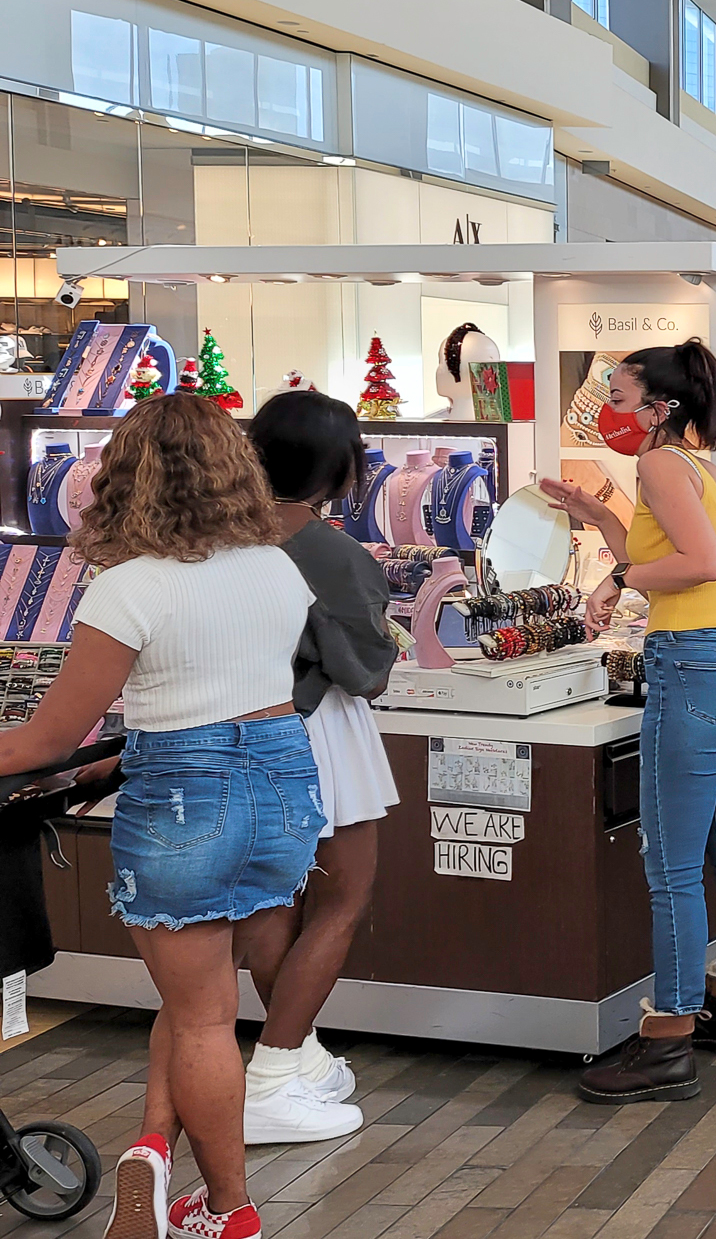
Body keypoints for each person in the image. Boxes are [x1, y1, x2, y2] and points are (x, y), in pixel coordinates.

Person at [0, 394, 320, 1239]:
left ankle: (231, 1208)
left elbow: (47, 737)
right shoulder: (276, 565)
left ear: (126, 477)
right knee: (200, 1003)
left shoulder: (127, 586)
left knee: (202, 1013)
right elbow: (232, 690)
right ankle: (153, 1156)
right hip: (284, 782)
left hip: (185, 791)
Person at [540, 340, 716, 1105]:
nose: (605, 410)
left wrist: (616, 577)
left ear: (659, 405)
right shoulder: (699, 466)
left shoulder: (658, 464)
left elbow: (701, 562)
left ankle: (667, 1038)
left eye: (615, 396)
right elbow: (673, 551)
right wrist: (597, 519)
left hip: (696, 670)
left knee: (674, 866)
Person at [233, 392, 400, 1146]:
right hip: (318, 737)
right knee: (340, 901)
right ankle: (273, 1072)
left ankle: (297, 1058)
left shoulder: (211, 538)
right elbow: (367, 671)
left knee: (267, 904)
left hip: (230, 736)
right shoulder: (335, 556)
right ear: (340, 465)